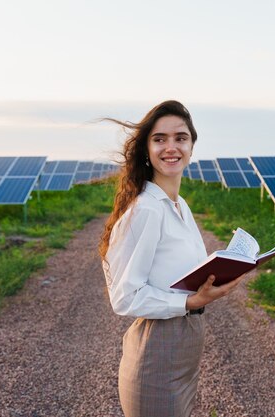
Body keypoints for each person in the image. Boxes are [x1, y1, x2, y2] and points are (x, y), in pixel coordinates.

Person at [99, 100, 245, 417]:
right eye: (159, 139)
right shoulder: (147, 210)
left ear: (192, 145)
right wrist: (189, 303)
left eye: (180, 138)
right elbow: (124, 298)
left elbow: (175, 275)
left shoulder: (180, 205)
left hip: (184, 347)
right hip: (157, 350)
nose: (171, 147)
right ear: (146, 150)